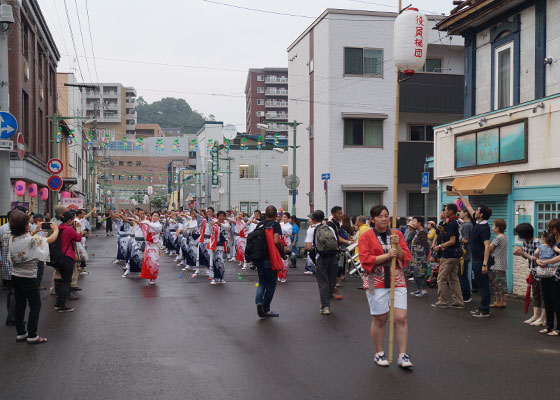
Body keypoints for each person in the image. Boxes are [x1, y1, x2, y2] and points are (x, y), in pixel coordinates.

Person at [358, 205, 412, 369]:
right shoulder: (366, 236)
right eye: (381, 216)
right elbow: (365, 259)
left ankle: (403, 355)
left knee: (400, 318)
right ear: (372, 219)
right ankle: (379, 352)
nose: (384, 219)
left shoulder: (397, 234)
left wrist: (397, 248)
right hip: (376, 278)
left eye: (387, 216)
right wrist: (387, 255)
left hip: (397, 278)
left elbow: (406, 257)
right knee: (380, 319)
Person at [8, 211, 58, 344]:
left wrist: (35, 231)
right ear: (25, 226)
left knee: (20, 304)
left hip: (15, 275)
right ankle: (32, 335)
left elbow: (26, 240)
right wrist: (56, 229)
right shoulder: (32, 240)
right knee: (35, 304)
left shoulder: (12, 238)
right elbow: (50, 239)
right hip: (28, 277)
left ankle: (21, 333)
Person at [454, 188, 492, 317]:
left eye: (478, 211)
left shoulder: (484, 228)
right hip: (476, 259)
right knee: (481, 285)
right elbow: (468, 206)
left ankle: (485, 309)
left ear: (481, 214)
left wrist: (485, 264)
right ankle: (482, 307)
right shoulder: (477, 222)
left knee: (483, 285)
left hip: (481, 260)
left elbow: (487, 246)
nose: (475, 211)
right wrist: (459, 193)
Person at [306, 209, 340, 316]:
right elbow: (335, 243)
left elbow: (308, 247)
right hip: (333, 257)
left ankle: (325, 306)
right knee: (331, 281)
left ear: (314, 219)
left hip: (320, 258)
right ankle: (327, 301)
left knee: (323, 282)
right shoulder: (330, 228)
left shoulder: (312, 230)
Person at [431, 203, 464, 309]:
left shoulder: (452, 223)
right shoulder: (456, 222)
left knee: (441, 278)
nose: (444, 212)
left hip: (449, 255)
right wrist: (443, 231)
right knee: (454, 278)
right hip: (456, 254)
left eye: (445, 210)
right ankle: (458, 301)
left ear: (450, 211)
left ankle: (443, 300)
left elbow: (452, 241)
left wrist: (439, 246)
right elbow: (453, 237)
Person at [513, 223, 545, 325]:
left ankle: (543, 318)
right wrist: (520, 253)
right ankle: (535, 315)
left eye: (519, 234)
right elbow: (528, 257)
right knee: (535, 294)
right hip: (533, 271)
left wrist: (523, 253)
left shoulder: (538, 243)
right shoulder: (526, 241)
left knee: (543, 294)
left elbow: (537, 258)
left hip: (542, 271)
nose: (519, 236)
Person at [254, 205, 283, 318]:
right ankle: (266, 309)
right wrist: (283, 247)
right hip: (271, 258)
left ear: (265, 215)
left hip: (259, 258)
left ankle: (259, 302)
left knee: (262, 282)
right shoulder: (275, 225)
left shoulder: (260, 224)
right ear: (276, 215)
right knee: (271, 284)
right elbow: (276, 241)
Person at [1, 206, 29, 326]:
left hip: (6, 264)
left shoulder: (2, 228)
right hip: (17, 265)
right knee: (17, 293)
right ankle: (13, 318)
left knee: (10, 292)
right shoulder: (19, 228)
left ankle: (11, 316)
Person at [55, 212, 85, 313]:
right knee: (66, 282)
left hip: (58, 256)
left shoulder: (59, 227)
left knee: (62, 280)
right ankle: (62, 305)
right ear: (69, 220)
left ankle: (58, 303)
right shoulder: (69, 229)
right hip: (67, 256)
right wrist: (77, 230)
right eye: (72, 220)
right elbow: (78, 238)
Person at [533, 229, 560, 335]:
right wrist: (537, 261)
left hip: (555, 275)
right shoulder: (542, 247)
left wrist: (545, 261)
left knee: (556, 301)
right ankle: (549, 326)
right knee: (547, 300)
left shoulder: (555, 246)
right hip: (544, 275)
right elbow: (535, 256)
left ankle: (558, 328)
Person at [139, 212, 163, 285]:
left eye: (157, 216)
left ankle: (153, 278)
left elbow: (155, 228)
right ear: (152, 216)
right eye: (154, 215)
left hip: (155, 246)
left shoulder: (159, 225)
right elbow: (142, 225)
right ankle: (148, 276)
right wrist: (139, 219)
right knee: (147, 262)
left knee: (154, 262)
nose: (155, 217)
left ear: (159, 217)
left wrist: (147, 223)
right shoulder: (149, 223)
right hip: (148, 245)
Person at [489, 219, 508, 309]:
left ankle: (498, 302)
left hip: (496, 263)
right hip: (502, 263)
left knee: (496, 283)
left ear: (497, 228)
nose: (492, 228)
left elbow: (489, 248)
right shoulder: (504, 237)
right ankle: (503, 301)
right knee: (502, 282)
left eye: (493, 226)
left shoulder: (498, 238)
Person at [410, 217, 430, 297]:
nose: (413, 223)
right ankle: (418, 290)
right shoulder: (417, 232)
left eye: (414, 221)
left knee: (421, 274)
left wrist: (426, 256)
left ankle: (424, 290)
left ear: (419, 223)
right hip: (415, 257)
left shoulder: (422, 232)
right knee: (415, 273)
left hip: (420, 257)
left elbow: (426, 245)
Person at [208, 211, 230, 285]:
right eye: (219, 216)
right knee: (213, 261)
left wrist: (216, 223)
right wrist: (212, 224)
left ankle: (221, 278)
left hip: (222, 246)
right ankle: (213, 278)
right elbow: (210, 231)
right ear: (217, 217)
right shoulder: (214, 224)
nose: (221, 217)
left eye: (223, 216)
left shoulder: (226, 224)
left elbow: (225, 227)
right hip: (214, 245)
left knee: (221, 262)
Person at [459, 210, 473, 303]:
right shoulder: (470, 224)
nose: (460, 214)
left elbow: (465, 239)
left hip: (464, 253)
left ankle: (466, 296)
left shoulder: (466, 225)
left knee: (462, 275)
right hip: (468, 253)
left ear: (466, 213)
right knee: (464, 274)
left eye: (461, 212)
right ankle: (466, 294)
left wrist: (457, 239)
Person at [278, 213, 292, 283]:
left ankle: (284, 276)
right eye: (283, 217)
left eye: (285, 217)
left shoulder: (289, 226)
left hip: (286, 244)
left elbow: (287, 232)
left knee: (285, 262)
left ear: (289, 219)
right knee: (279, 261)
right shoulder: (281, 224)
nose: (283, 218)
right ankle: (279, 275)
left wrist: (280, 226)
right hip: (280, 244)